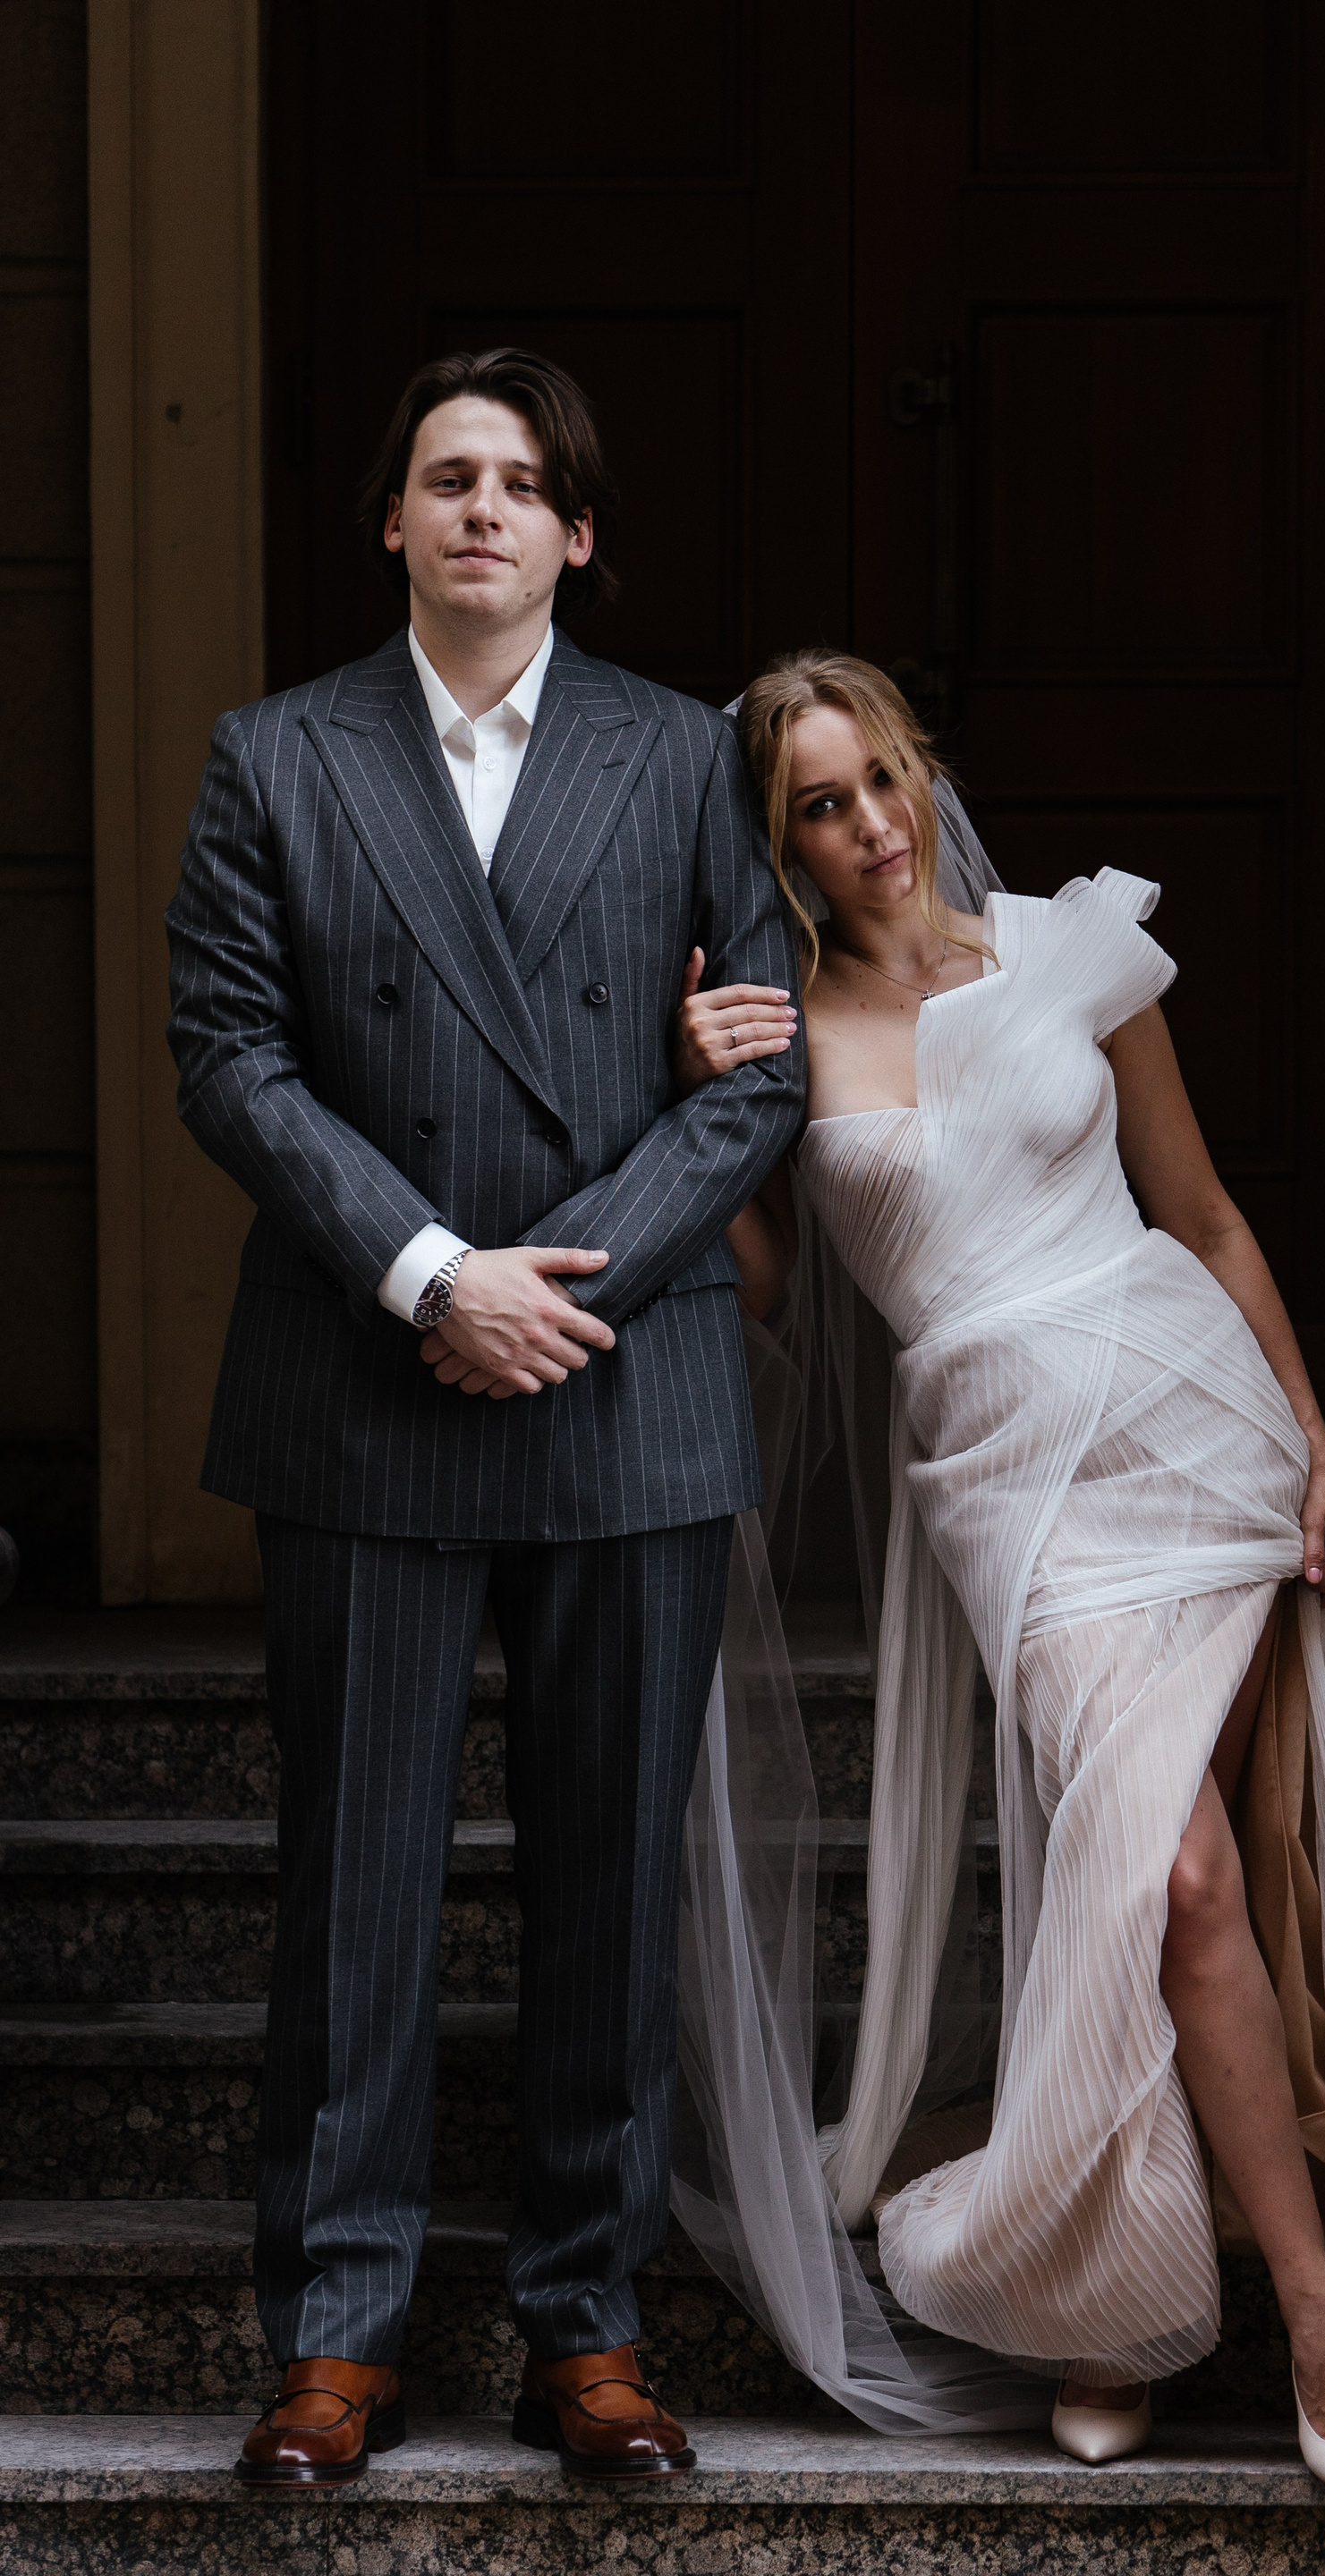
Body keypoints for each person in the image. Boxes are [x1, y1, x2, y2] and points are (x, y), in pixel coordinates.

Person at [669, 648, 1325, 2510]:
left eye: (884, 778)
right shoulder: (780, 1034)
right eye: (821, 807)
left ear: (924, 772)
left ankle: (1268, 2315)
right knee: (1163, 1873)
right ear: (779, 845)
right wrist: (697, 1097)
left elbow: (1208, 1215)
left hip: (1190, 1422)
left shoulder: (1074, 953)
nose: (873, 827)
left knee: (1167, 1878)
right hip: (1008, 1483)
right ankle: (1155, 2285)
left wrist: (1316, 1444)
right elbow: (760, 1282)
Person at [165, 349, 803, 2487]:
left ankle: (587, 2324)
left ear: (576, 535)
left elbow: (768, 1074)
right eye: (448, 478)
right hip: (373, 1374)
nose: (481, 511)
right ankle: (335, 2336)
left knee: (611, 1887)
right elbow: (229, 1057)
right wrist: (438, 1275)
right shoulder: (274, 756)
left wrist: (556, 1295)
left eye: (523, 484)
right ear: (393, 521)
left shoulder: (687, 754)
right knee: (356, 1885)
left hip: (621, 1376)